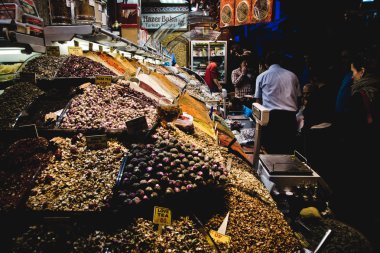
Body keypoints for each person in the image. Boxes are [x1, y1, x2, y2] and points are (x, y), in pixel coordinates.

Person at [255, 51, 301, 154]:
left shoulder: (262, 76)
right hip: (290, 119)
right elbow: (298, 98)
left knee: (271, 153)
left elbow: (258, 103)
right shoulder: (293, 76)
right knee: (288, 153)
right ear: (281, 62)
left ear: (266, 64)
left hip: (271, 119)